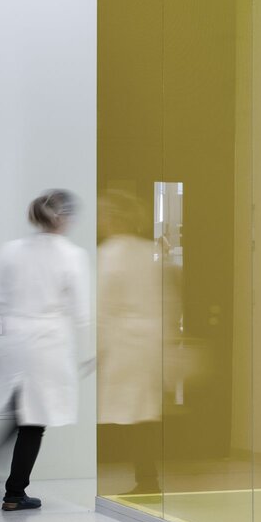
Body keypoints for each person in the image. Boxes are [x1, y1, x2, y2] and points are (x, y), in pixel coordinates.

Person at [0, 189, 91, 512]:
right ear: (64, 218)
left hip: (16, 343)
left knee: (25, 413)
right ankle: (13, 492)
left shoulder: (13, 250)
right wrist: (91, 348)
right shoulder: (71, 255)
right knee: (33, 422)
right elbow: (81, 311)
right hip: (48, 345)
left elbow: (1, 298)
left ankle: (11, 487)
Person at [96, 189, 164, 495]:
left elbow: (102, 307)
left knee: (129, 413)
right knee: (141, 413)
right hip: (148, 342)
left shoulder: (110, 253)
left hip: (122, 344)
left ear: (113, 217)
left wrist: (94, 349)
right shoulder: (149, 251)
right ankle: (147, 478)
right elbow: (165, 299)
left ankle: (146, 480)